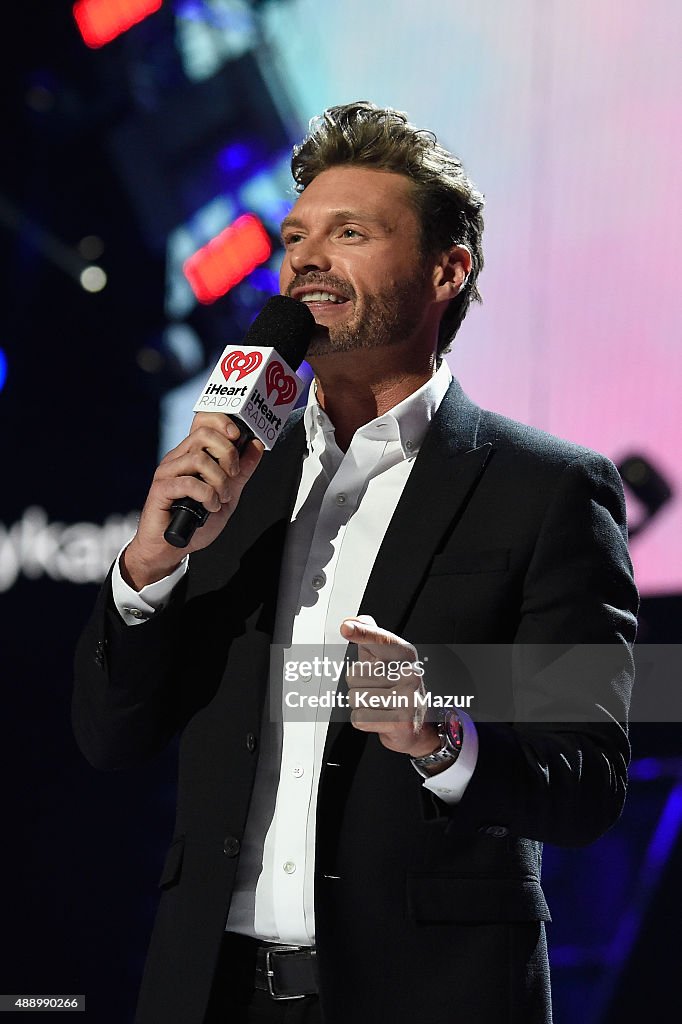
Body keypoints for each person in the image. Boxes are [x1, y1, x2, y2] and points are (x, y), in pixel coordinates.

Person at [73, 101, 638, 1024]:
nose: (305, 258)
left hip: (429, 997)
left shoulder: (548, 490)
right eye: (296, 236)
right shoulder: (231, 482)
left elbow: (589, 786)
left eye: (351, 232)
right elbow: (110, 737)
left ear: (447, 270)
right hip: (211, 994)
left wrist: (442, 738)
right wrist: (147, 568)